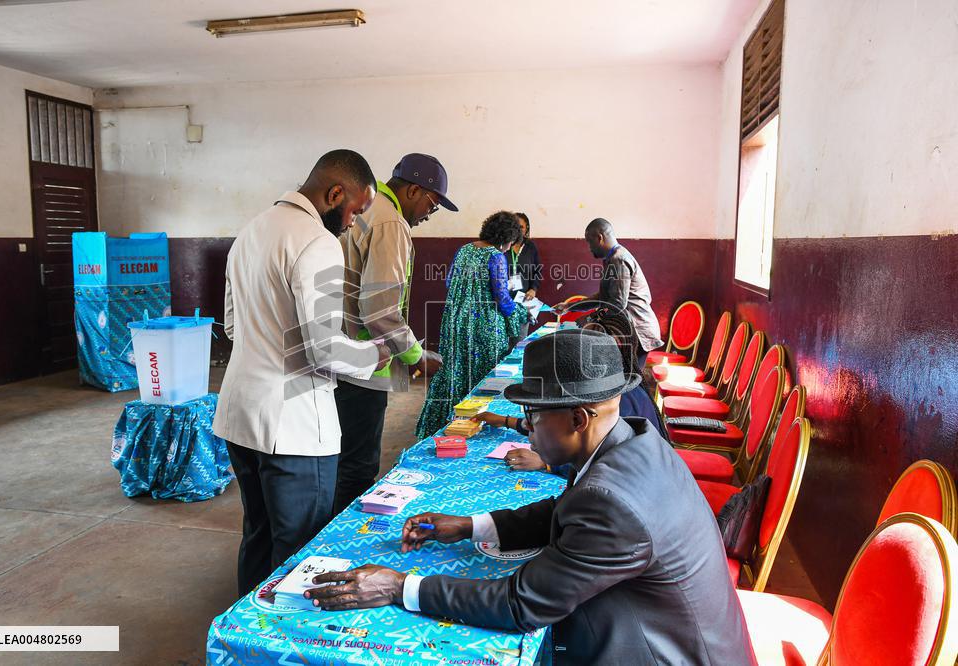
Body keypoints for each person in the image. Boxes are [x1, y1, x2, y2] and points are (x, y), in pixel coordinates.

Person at [306, 328, 755, 665]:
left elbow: (520, 604)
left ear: (579, 419)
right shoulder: (634, 440)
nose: (527, 424)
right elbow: (570, 508)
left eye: (533, 415)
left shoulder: (615, 502)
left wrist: (398, 585)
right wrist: (471, 525)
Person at [213, 149, 391, 598]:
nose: (352, 223)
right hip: (293, 428)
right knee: (298, 549)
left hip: (240, 414)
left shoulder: (250, 233)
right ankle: (281, 644)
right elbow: (325, 350)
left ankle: (247, 637)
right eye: (355, 210)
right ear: (335, 193)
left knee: (259, 535)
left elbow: (233, 327)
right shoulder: (317, 241)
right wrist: (376, 354)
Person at [334, 154, 455, 514]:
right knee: (358, 467)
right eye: (432, 205)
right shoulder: (391, 222)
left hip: (337, 352)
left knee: (339, 458)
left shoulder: (368, 211)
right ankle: (336, 550)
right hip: (366, 363)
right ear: (414, 190)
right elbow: (379, 309)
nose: (429, 215)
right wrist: (417, 354)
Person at [474, 306, 668, 474]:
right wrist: (506, 421)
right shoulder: (611, 387)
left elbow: (606, 459)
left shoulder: (617, 400)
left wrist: (547, 464)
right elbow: (559, 423)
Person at [414, 212, 529, 439]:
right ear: (506, 238)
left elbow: (449, 282)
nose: (507, 249)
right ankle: (476, 425)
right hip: (483, 327)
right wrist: (520, 312)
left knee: (455, 371)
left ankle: (445, 425)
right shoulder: (495, 256)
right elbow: (502, 298)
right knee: (483, 377)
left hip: (455, 323)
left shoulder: (464, 250)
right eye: (509, 244)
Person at [554, 217, 663, 366]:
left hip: (638, 331)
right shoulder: (611, 259)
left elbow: (617, 304)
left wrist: (590, 319)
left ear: (599, 238)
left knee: (630, 382)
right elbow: (603, 298)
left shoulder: (619, 260)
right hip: (629, 331)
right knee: (624, 381)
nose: (589, 247)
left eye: (589, 242)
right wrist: (569, 307)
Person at [504, 212, 542, 344]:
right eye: (515, 226)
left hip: (523, 301)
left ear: (527, 229)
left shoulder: (530, 247)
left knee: (519, 343)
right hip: (503, 301)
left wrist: (533, 289)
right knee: (503, 343)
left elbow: (537, 270)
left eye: (521, 227)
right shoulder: (502, 246)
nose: (518, 230)